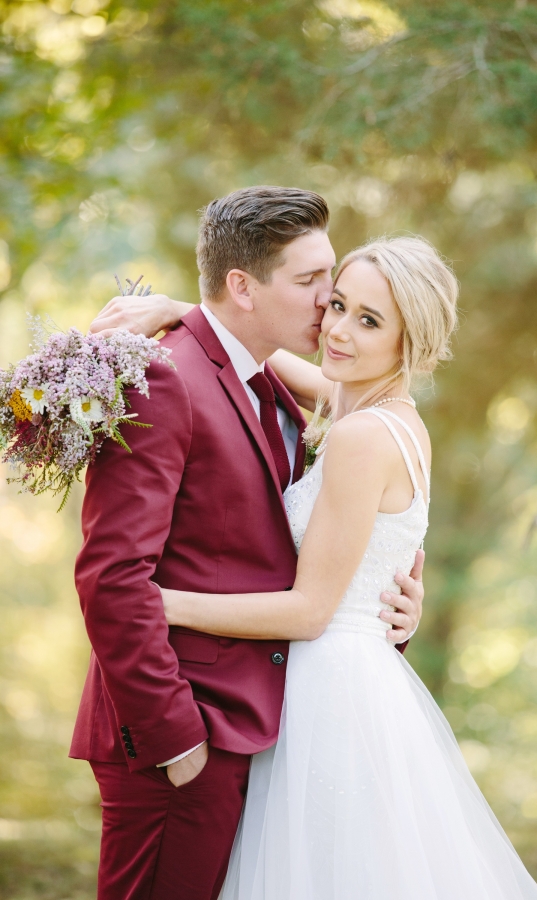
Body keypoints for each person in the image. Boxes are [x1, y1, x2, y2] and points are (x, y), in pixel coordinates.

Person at [118, 235, 537, 899]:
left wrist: (155, 601)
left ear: (413, 343)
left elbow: (309, 611)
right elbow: (300, 373)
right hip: (359, 676)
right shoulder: (389, 414)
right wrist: (186, 311)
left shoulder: (358, 437)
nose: (339, 332)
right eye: (339, 305)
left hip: (327, 692)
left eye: (369, 321)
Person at [75, 186, 423, 900]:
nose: (328, 304)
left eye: (338, 287)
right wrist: (176, 740)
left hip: (261, 727)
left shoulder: (269, 383)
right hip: (182, 732)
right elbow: (113, 578)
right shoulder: (166, 380)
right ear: (243, 286)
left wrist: (390, 603)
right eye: (311, 283)